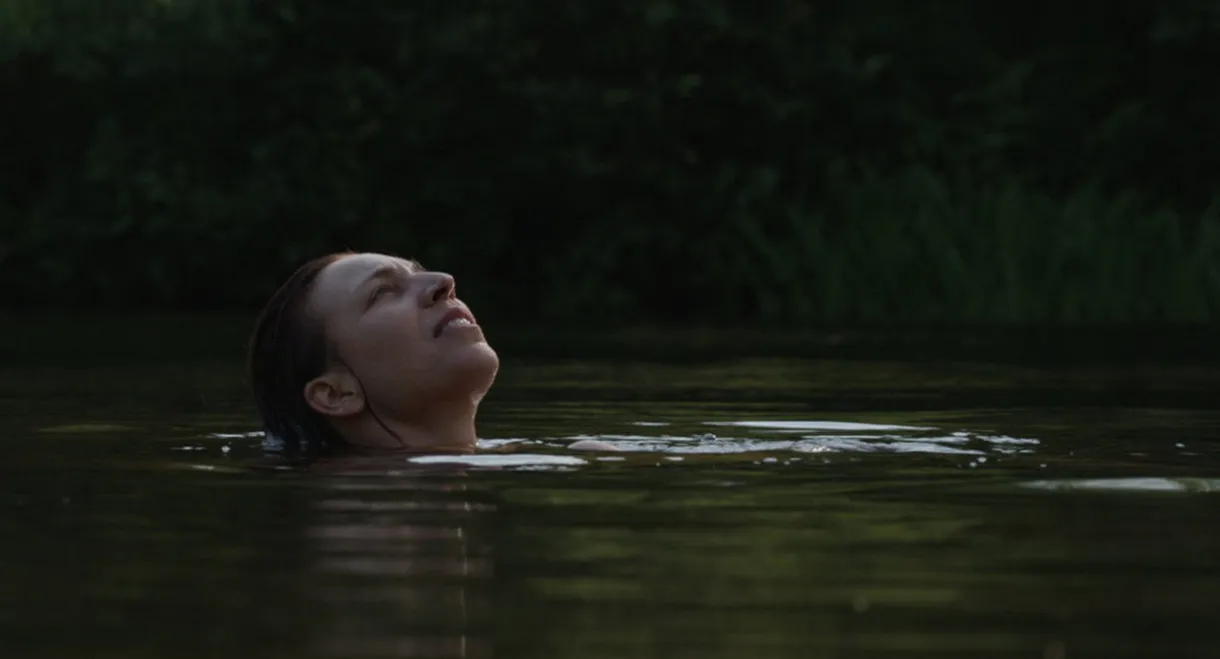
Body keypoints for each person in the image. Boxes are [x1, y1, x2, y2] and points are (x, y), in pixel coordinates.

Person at [248, 251, 617, 454]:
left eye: (418, 273)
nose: (444, 282)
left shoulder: (584, 454)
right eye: (382, 293)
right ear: (336, 393)